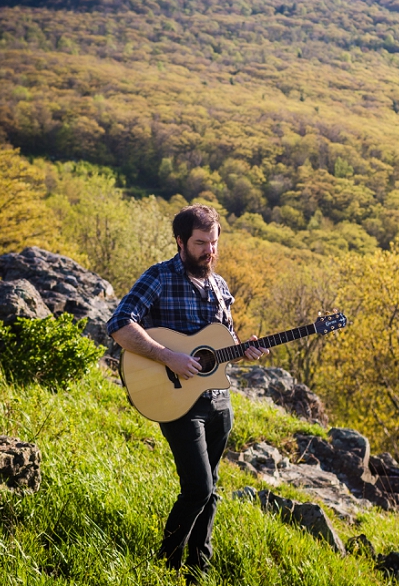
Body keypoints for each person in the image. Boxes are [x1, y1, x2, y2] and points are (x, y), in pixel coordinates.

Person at [107, 204, 268, 582]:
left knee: (211, 492)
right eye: (200, 243)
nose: (209, 251)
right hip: (176, 399)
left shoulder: (220, 285)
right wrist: (168, 356)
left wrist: (244, 350)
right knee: (198, 489)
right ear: (180, 242)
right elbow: (118, 324)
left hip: (218, 400)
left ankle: (199, 571)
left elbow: (216, 351)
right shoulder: (159, 277)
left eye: (213, 243)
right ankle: (166, 564)